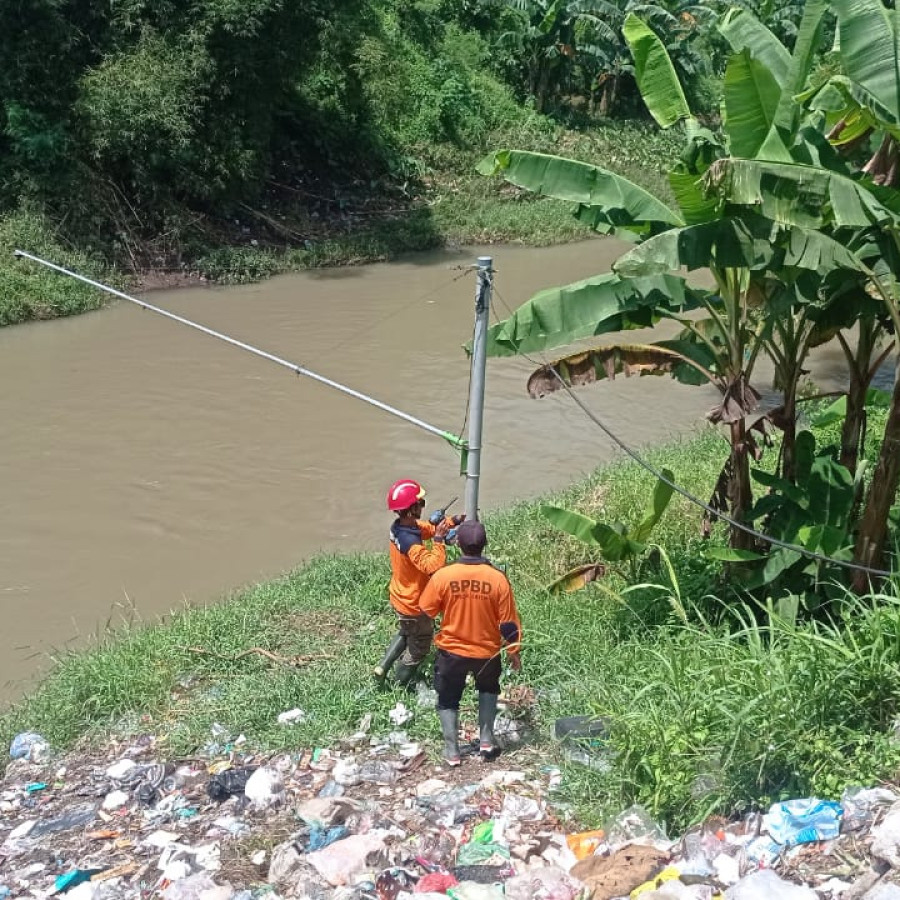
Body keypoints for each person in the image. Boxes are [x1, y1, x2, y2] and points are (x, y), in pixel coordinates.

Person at [419, 519, 522, 766]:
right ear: (484, 544)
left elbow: (427, 609)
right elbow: (508, 623)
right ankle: (486, 741)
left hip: (451, 651)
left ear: (459, 544)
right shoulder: (498, 579)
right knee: (488, 690)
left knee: (448, 698)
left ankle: (452, 751)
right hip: (487, 652)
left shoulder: (444, 576)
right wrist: (513, 652)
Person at [375, 479, 458, 688]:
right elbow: (432, 566)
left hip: (400, 595)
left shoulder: (402, 527)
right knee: (420, 644)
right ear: (411, 509)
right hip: (414, 603)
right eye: (420, 503)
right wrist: (439, 541)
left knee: (406, 631)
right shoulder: (410, 543)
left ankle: (381, 668)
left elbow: (428, 528)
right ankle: (399, 683)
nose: (423, 505)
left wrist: (453, 520)